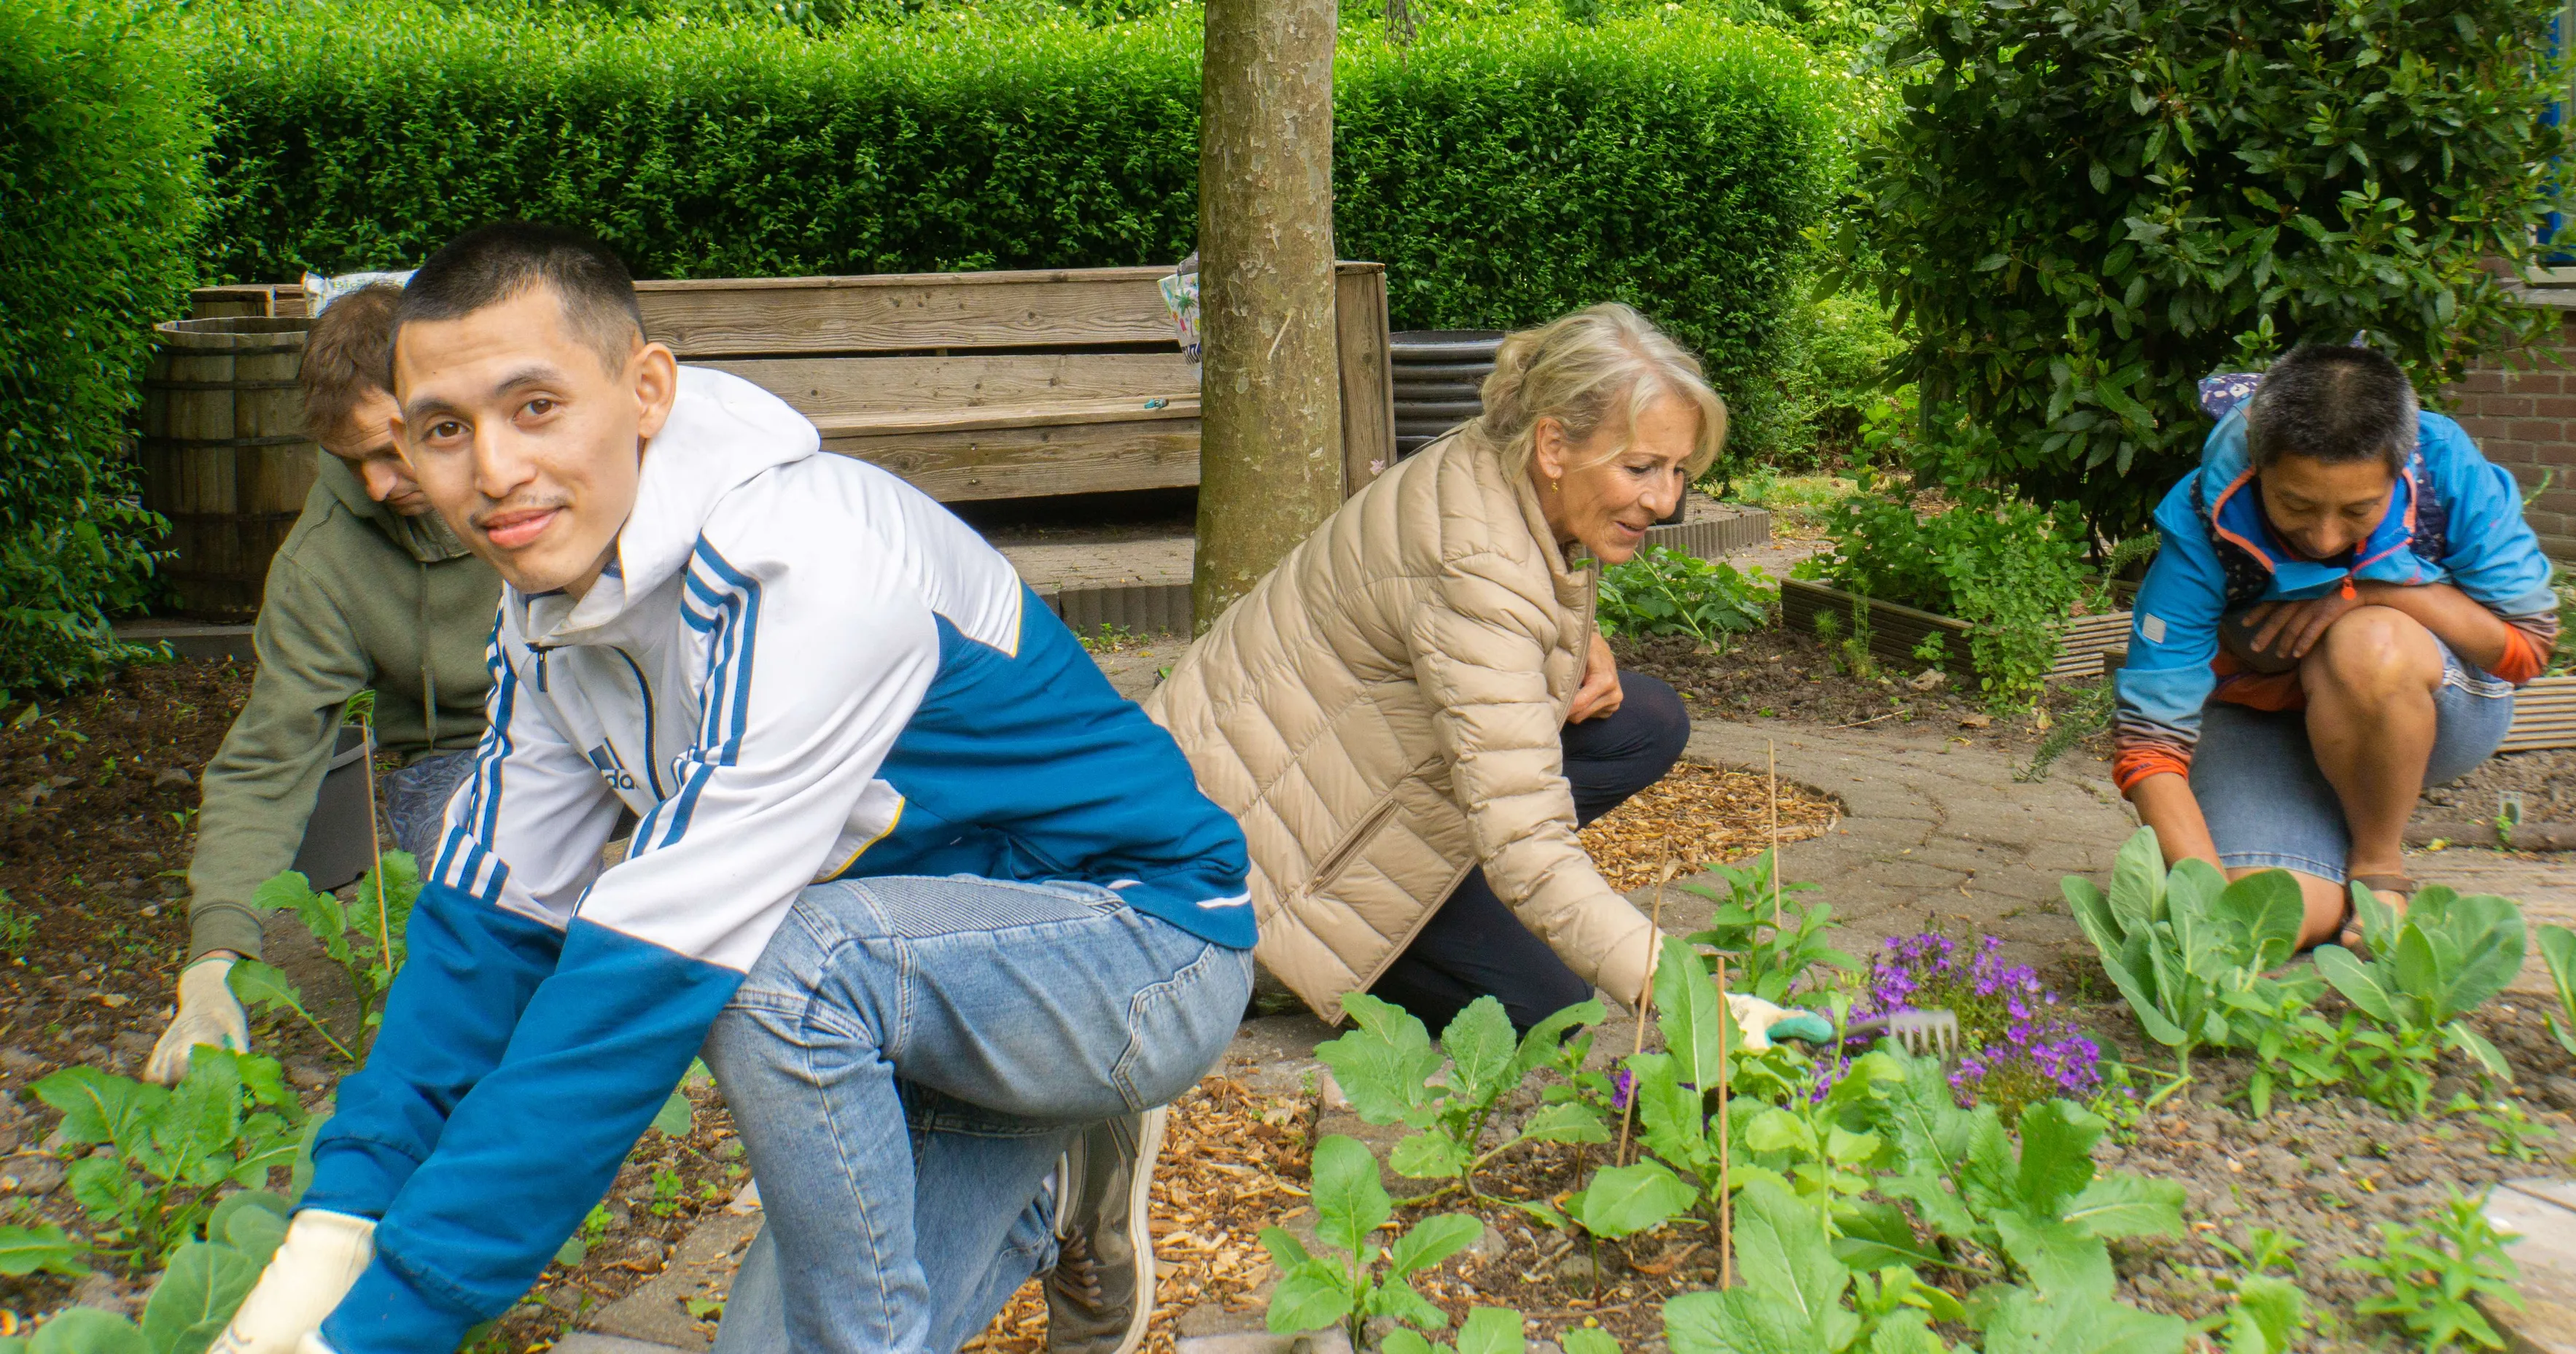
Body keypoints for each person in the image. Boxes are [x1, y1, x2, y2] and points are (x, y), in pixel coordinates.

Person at [208, 222, 1254, 1354]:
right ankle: (1045, 1180)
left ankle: (1066, 1103)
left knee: (767, 969)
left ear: (646, 389)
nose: (495, 471)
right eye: (445, 431)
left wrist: (372, 1331)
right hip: (910, 988)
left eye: (537, 407)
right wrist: (332, 1227)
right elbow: (485, 930)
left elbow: (641, 979)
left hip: (1138, 944)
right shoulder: (546, 615)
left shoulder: (809, 563)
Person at [1147, 303, 1799, 1043]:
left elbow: (1491, 620)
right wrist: (1681, 997)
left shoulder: (1491, 460)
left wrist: (1576, 635)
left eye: (1678, 470)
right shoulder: (1478, 567)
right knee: (1551, 1011)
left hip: (1317, 775)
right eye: (1642, 468)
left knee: (1644, 721)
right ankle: (1290, 956)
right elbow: (1525, 844)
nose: (1665, 499)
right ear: (1554, 443)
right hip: (1266, 857)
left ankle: (1448, 897)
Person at [144, 282, 496, 1086]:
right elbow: (271, 759)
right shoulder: (323, 565)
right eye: (350, 460)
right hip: (456, 757)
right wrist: (211, 968)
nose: (374, 484)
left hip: (611, 725)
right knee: (487, 887)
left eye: (389, 450)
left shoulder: (544, 469)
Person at [2113, 343, 2559, 947]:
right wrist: (2205, 900)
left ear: (2398, 471)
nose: (2324, 537)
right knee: (2262, 919)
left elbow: (2526, 651)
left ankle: (2378, 865)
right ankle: (2322, 847)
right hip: (2266, 725)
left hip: (2433, 705)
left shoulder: (2447, 466)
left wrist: (2376, 591)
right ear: (2257, 463)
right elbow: (2149, 738)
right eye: (2295, 503)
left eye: (2359, 510)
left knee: (2366, 641)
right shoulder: (2201, 518)